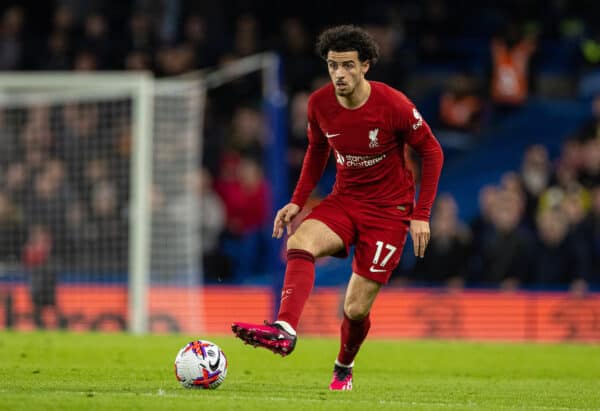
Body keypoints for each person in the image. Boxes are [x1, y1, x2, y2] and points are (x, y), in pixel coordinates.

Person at [232, 25, 444, 391]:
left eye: (347, 66)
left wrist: (421, 214)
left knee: (356, 308)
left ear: (365, 66)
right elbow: (317, 152)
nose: (339, 74)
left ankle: (343, 367)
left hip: (389, 213)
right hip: (345, 201)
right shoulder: (319, 104)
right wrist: (297, 201)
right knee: (300, 242)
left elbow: (432, 150)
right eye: (333, 66)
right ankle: (284, 330)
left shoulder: (393, 104)